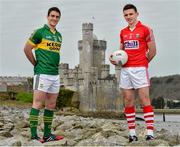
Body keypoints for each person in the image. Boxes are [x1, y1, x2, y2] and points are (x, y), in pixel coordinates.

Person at [111, 4, 156, 142]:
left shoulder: (146, 29)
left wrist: (143, 63)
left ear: (137, 14)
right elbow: (121, 52)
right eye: (126, 15)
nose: (128, 17)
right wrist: (114, 59)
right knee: (128, 101)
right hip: (125, 70)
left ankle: (150, 133)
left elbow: (153, 51)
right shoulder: (123, 32)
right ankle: (132, 133)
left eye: (131, 14)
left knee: (144, 99)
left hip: (140, 69)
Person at [24, 7, 63, 143]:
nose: (54, 18)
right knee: (37, 104)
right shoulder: (39, 32)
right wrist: (35, 64)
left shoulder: (59, 35)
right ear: (48, 17)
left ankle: (47, 135)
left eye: (57, 16)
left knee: (51, 105)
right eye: (52, 16)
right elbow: (27, 49)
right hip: (42, 74)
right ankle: (34, 135)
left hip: (55, 75)